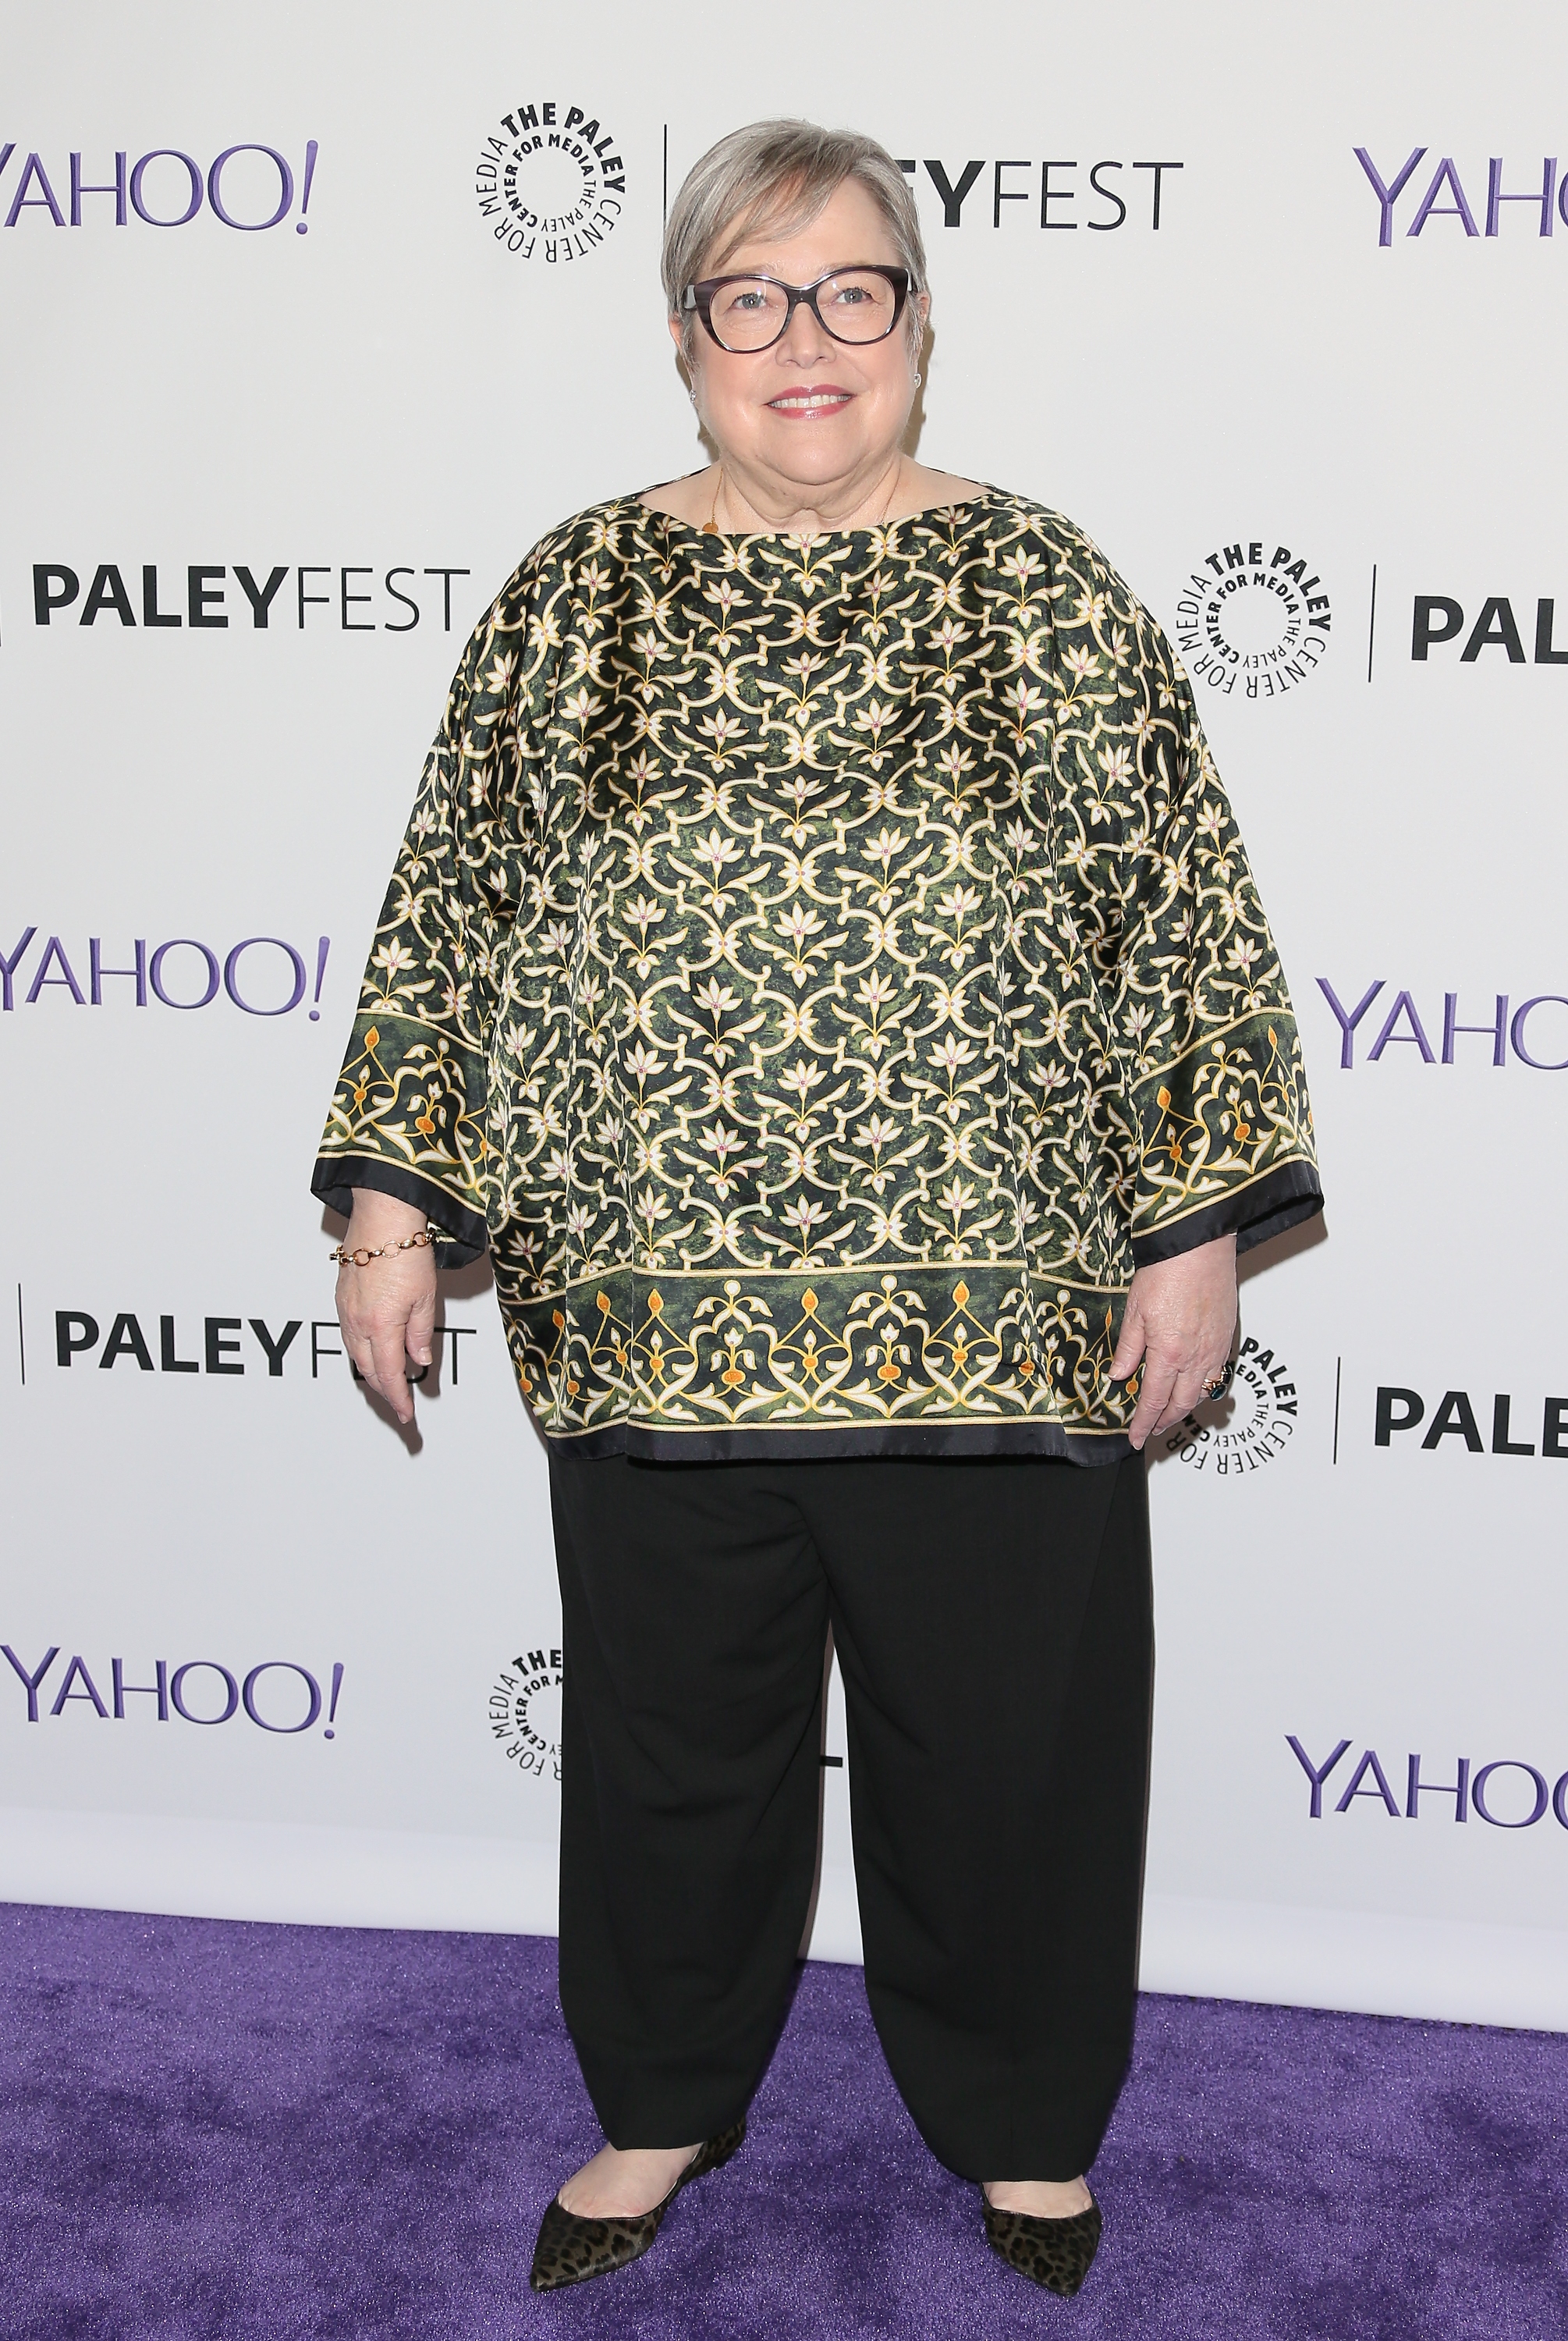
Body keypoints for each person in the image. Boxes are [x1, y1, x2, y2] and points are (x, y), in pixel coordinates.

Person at [314, 119, 1321, 2299]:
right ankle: (660, 2096)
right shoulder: (572, 597)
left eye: (849, 290)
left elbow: (1182, 927)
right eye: (749, 297)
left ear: (918, 327)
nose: (803, 339)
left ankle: (1026, 2126)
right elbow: (449, 922)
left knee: (1011, 1761)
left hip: (1011, 1316)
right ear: (685, 339)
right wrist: (391, 1217)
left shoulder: (1047, 586)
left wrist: (1193, 1230)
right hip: (653, 1321)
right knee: (679, 1754)